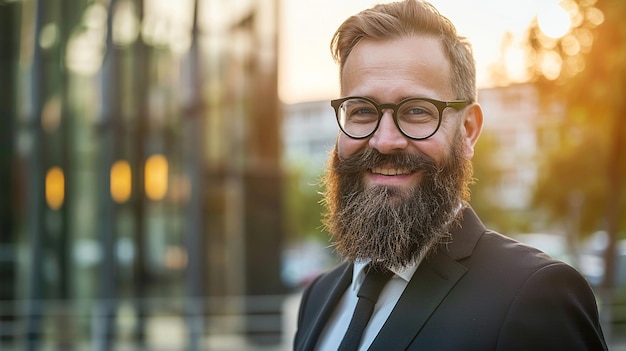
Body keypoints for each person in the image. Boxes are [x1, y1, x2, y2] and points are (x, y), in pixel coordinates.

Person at [293, 1, 608, 350]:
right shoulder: (317, 299)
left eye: (416, 111)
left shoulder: (536, 296)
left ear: (469, 130)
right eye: (363, 111)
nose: (384, 141)